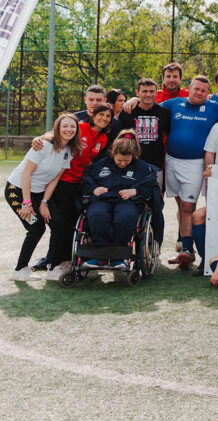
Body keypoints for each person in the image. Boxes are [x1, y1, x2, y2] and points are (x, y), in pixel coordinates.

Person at [32, 104, 112, 274]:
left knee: (74, 223)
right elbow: (57, 135)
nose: (104, 119)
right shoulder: (80, 128)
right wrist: (39, 138)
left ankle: (68, 260)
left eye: (107, 116)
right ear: (93, 115)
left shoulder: (103, 139)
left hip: (80, 184)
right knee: (60, 224)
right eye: (101, 115)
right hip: (63, 181)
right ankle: (54, 261)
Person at [163, 75, 218, 268]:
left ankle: (187, 249)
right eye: (196, 89)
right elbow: (151, 107)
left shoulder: (214, 108)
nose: (199, 93)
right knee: (180, 205)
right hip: (171, 161)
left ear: (207, 93)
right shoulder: (174, 104)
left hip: (194, 164)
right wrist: (133, 100)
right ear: (189, 88)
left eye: (203, 90)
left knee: (187, 207)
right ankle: (186, 246)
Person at [7, 114, 77, 281]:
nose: (68, 129)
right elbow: (26, 173)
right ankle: (20, 270)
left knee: (59, 223)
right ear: (57, 128)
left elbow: (55, 179)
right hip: (17, 190)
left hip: (39, 193)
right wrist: (26, 203)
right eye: (65, 126)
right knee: (36, 228)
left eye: (72, 127)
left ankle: (53, 268)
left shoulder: (69, 151)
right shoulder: (43, 145)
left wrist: (44, 202)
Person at [81, 131, 160, 269]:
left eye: (127, 161)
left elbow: (151, 187)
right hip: (102, 200)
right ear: (113, 154)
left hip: (127, 201)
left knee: (125, 217)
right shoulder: (101, 164)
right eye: (119, 160)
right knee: (98, 215)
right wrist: (94, 189)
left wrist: (135, 191)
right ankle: (99, 257)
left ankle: (118, 257)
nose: (123, 163)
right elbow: (86, 180)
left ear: (133, 156)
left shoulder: (142, 167)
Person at [118, 77, 171, 249]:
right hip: (131, 166)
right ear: (137, 93)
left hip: (155, 168)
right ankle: (125, 240)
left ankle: (155, 243)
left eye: (151, 91)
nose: (148, 95)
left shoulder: (163, 113)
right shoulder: (127, 112)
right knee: (128, 201)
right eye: (144, 91)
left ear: (156, 93)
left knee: (156, 205)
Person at [75, 84, 122, 151]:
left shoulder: (115, 122)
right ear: (85, 100)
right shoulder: (75, 119)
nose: (94, 103)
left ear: (105, 101)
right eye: (91, 100)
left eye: (98, 100)